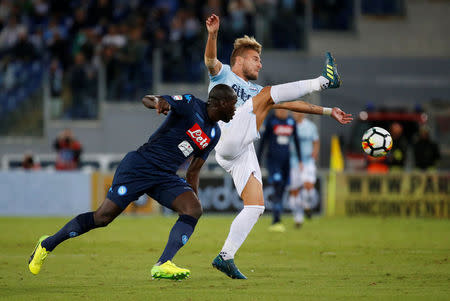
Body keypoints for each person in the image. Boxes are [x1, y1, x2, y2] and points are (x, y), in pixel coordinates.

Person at [28, 84, 238, 280]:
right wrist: (159, 102)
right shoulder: (191, 104)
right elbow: (148, 99)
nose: (235, 109)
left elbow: (194, 170)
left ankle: (163, 263)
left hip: (164, 175)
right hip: (140, 165)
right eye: (233, 104)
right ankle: (46, 244)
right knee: (102, 217)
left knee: (193, 209)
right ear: (220, 103)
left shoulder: (214, 133)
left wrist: (192, 201)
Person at [204, 14, 352, 279]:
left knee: (256, 206)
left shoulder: (259, 92)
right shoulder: (224, 73)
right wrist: (213, 34)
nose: (260, 63)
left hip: (242, 149)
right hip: (227, 136)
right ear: (239, 59)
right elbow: (210, 61)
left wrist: (329, 111)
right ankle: (325, 81)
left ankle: (225, 256)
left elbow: (292, 104)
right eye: (255, 58)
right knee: (267, 95)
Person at [257, 109, 301, 232]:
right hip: (273, 161)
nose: (283, 111)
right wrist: (258, 160)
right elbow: (263, 141)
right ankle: (276, 220)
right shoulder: (271, 120)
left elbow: (296, 140)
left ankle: (277, 217)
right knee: (277, 186)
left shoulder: (291, 121)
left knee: (282, 188)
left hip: (286, 161)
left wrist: (300, 160)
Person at [289, 113, 320, 228]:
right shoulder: (290, 125)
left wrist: (315, 153)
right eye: (294, 111)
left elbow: (316, 141)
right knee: (295, 190)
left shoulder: (310, 126)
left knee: (309, 186)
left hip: (308, 161)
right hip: (294, 161)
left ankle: (307, 204)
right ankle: (298, 217)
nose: (296, 113)